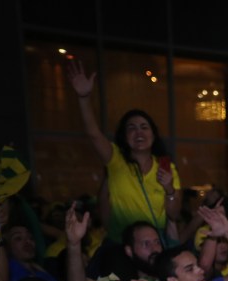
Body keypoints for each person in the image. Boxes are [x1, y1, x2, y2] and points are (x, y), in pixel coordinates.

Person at [66, 60, 182, 245]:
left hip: (154, 245)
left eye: (144, 127)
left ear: (153, 135)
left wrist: (169, 188)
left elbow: (174, 214)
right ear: (124, 136)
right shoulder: (116, 159)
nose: (139, 132)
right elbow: (93, 134)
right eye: (132, 128)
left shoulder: (166, 166)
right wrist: (84, 98)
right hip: (122, 243)